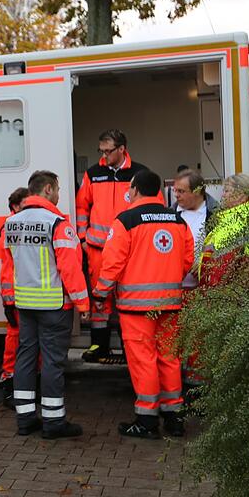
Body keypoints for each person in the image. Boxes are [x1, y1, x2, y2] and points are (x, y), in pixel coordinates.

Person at [93, 169, 194, 439]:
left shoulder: (125, 220)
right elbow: (187, 261)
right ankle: (174, 417)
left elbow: (112, 263)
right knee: (170, 358)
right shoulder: (177, 220)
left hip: (137, 308)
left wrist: (100, 293)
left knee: (143, 360)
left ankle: (147, 419)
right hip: (171, 304)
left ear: (135, 190)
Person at [1, 171, 89, 439]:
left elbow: (9, 266)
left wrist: (10, 299)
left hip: (25, 305)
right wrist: (83, 303)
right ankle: (53, 422)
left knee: (25, 358)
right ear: (48, 189)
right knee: (52, 362)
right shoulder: (57, 224)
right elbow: (70, 269)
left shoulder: (11, 223)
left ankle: (25, 419)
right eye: (59, 189)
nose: (60, 194)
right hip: (53, 306)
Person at [75, 129, 147, 364]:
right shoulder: (93, 174)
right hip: (97, 248)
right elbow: (82, 207)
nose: (104, 156)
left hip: (130, 248)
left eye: (108, 151)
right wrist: (84, 238)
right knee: (100, 297)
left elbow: (150, 206)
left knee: (127, 296)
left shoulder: (139, 173)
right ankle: (99, 346)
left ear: (122, 149)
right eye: (102, 151)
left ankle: (129, 346)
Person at [199, 173, 249, 285]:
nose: (223, 195)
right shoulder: (229, 219)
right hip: (220, 292)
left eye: (227, 191)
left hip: (234, 293)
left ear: (242, 195)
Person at [0, 186, 30, 407]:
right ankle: (10, 384)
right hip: (16, 296)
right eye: (26, 204)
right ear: (16, 206)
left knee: (26, 342)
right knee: (15, 341)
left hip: (24, 294)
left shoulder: (18, 225)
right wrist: (9, 300)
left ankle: (22, 385)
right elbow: (9, 268)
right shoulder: (11, 226)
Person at [171, 169, 220, 291]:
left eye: (181, 191)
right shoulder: (169, 215)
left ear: (197, 191)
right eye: (175, 190)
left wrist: (203, 265)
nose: (176, 195)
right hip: (173, 290)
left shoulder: (216, 215)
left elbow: (222, 250)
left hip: (204, 290)